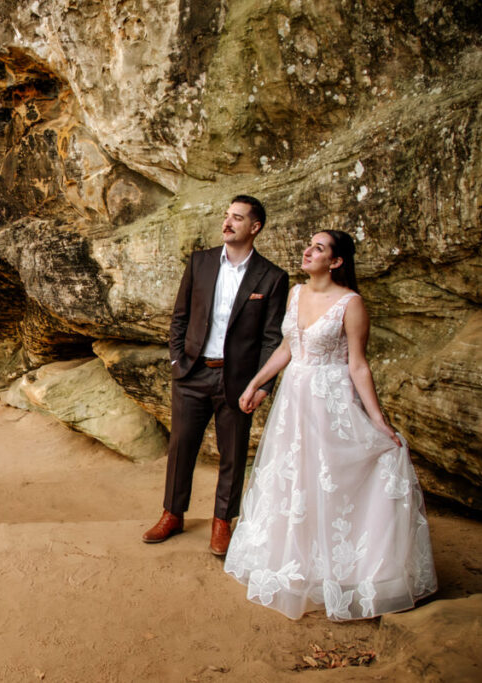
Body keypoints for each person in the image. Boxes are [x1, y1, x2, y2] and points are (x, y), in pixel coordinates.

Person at [224, 230, 437, 620]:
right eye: (310, 244)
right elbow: (287, 348)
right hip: (294, 398)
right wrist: (256, 383)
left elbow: (358, 364)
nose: (308, 251)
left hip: (331, 399)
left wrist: (378, 422)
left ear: (336, 262)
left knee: (332, 481)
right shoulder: (295, 294)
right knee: (296, 479)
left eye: (318, 248)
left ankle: (348, 571)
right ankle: (299, 565)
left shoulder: (351, 303)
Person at [143, 195, 289, 555]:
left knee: (233, 454)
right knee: (181, 448)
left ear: (254, 227)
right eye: (227, 216)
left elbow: (272, 338)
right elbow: (179, 317)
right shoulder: (201, 262)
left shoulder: (272, 277)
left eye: (237, 218)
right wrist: (178, 363)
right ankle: (172, 514)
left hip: (238, 381)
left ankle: (222, 522)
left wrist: (262, 385)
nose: (227, 223)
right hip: (192, 373)